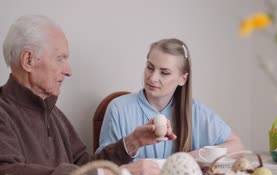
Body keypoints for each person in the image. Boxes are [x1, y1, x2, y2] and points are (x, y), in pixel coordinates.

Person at [0, 15, 175, 175]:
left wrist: (132, 142)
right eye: (60, 58)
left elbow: (85, 168)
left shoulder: (53, 114)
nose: (69, 70)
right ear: (28, 60)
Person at [98, 38, 244, 160]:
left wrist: (187, 159)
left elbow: (237, 147)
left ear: (182, 79)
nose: (153, 78)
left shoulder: (195, 111)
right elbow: (101, 166)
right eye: (150, 67)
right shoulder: (118, 109)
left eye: (164, 72)